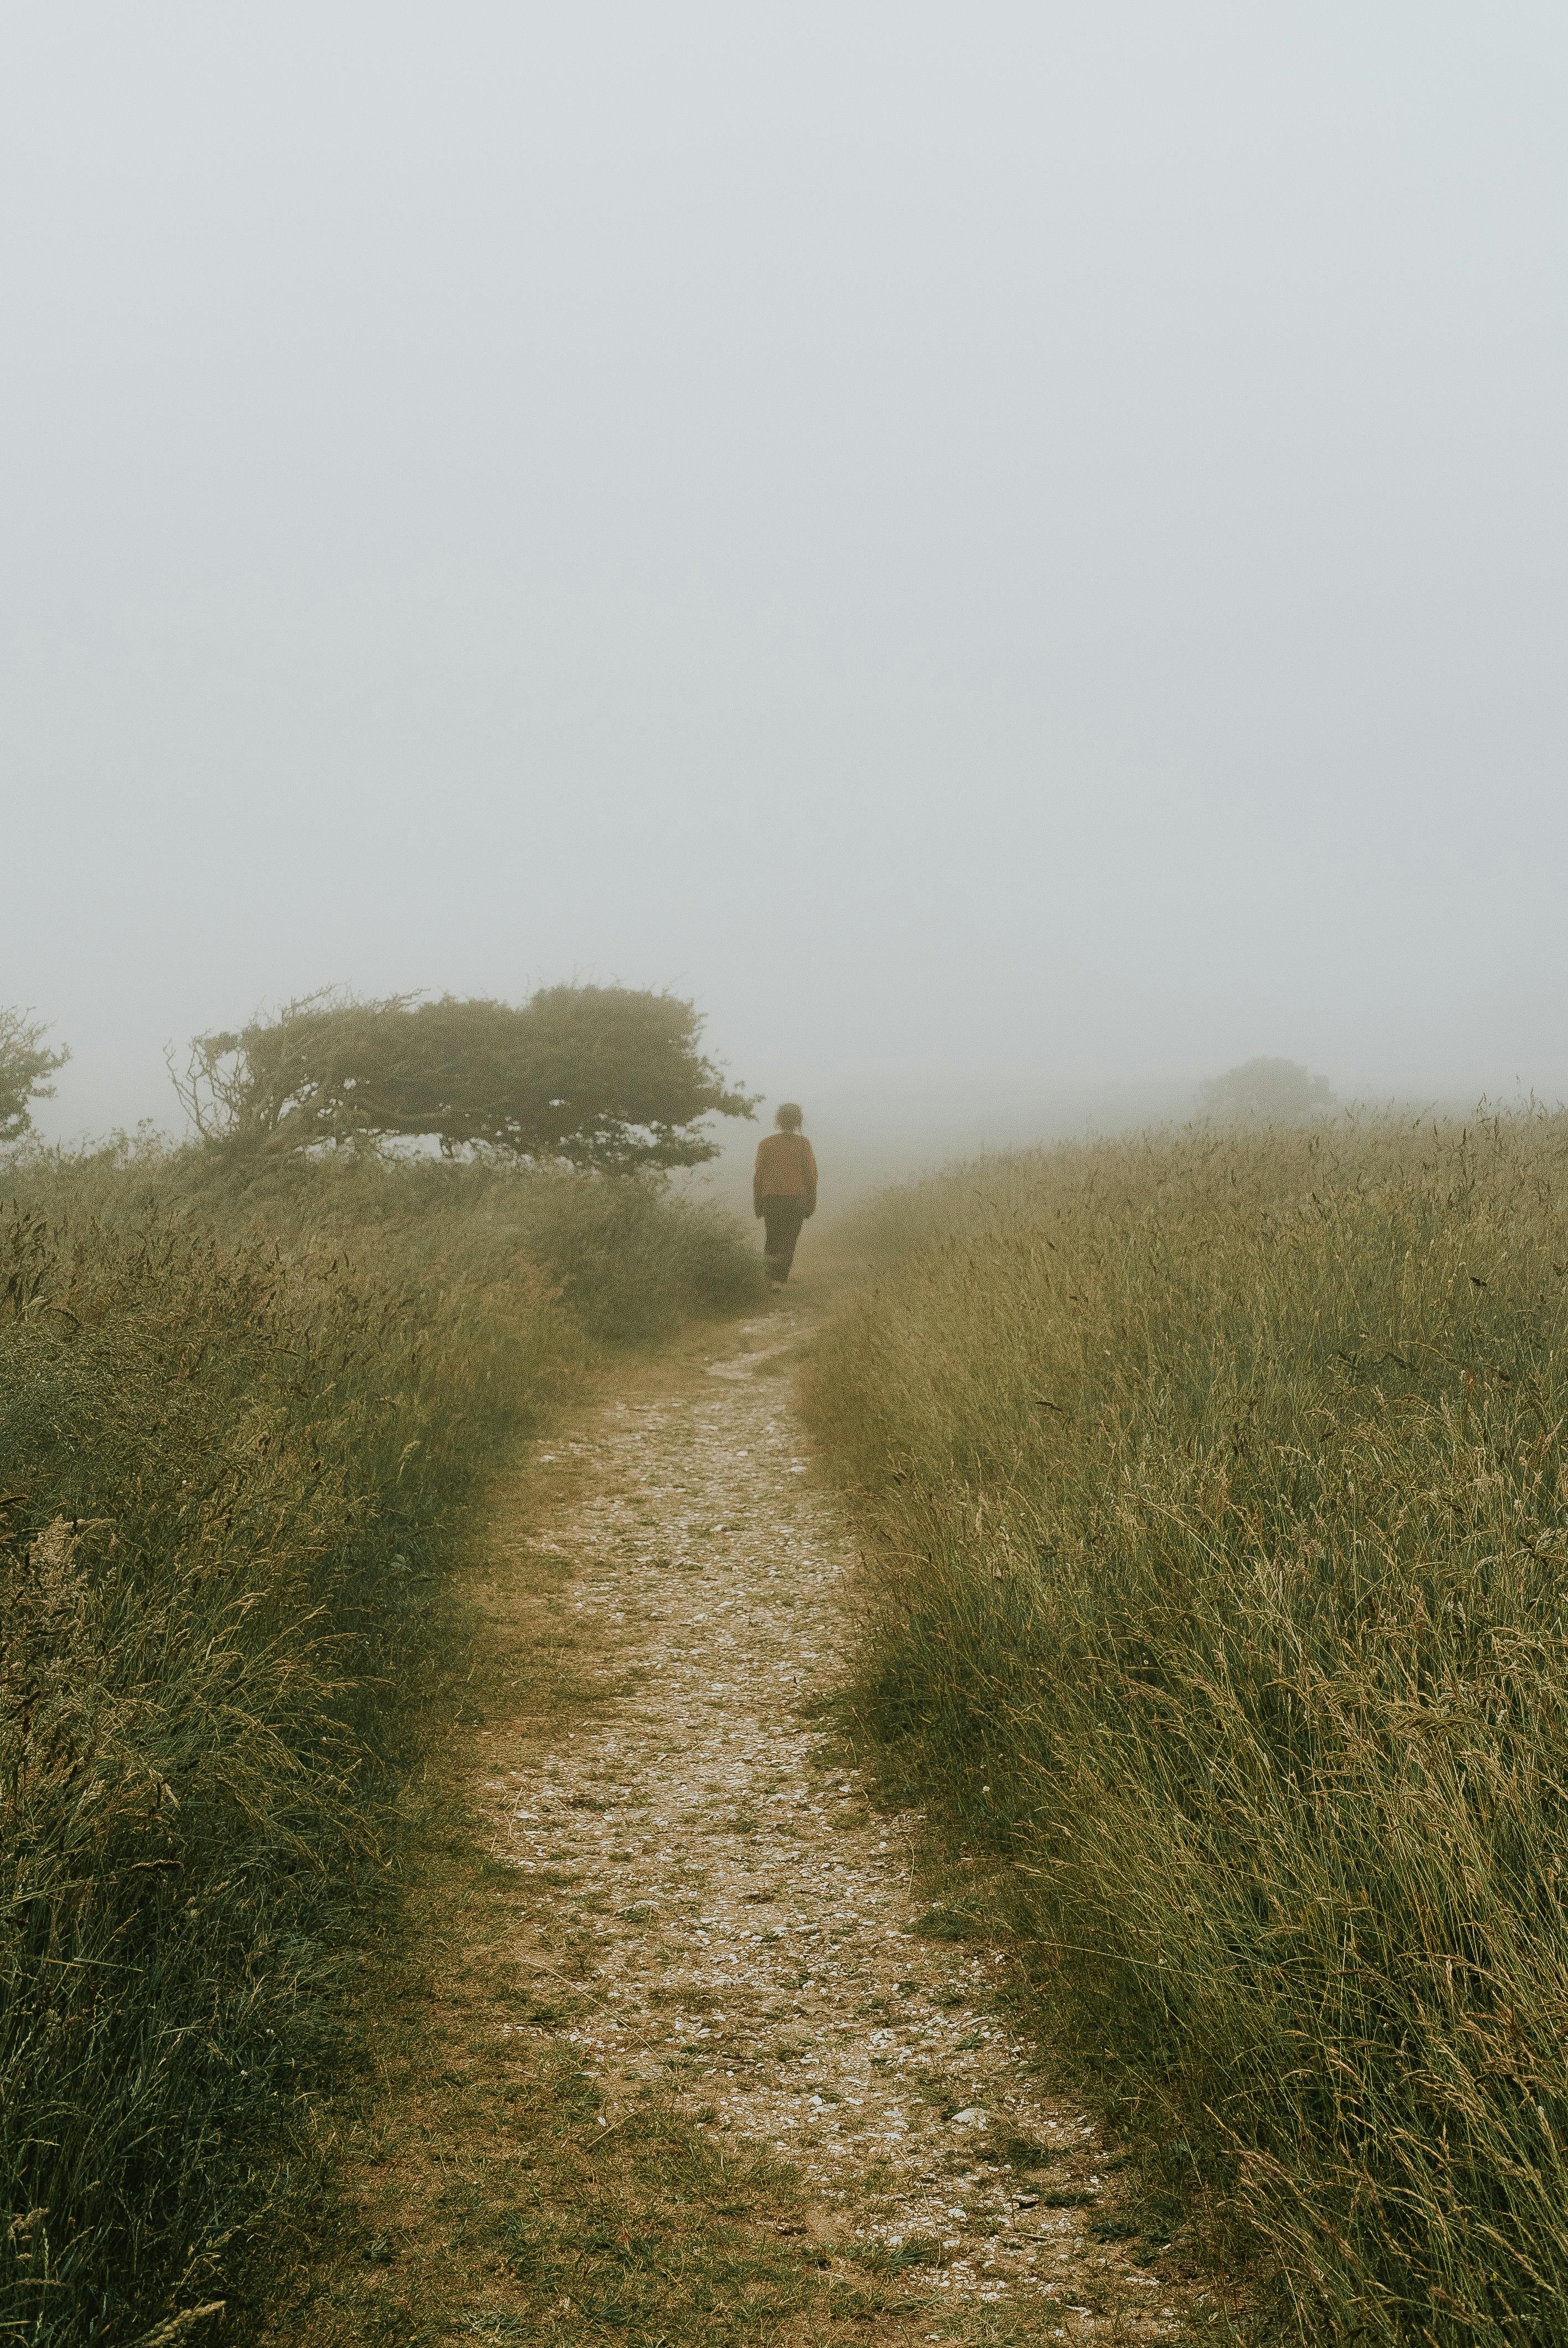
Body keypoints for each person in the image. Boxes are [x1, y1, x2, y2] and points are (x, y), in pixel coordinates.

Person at [753, 1102, 817, 1288]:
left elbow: (759, 1176)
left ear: (778, 1120)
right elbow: (811, 1175)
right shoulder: (803, 1144)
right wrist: (811, 1202)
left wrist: (758, 1203)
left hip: (771, 1198)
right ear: (799, 1121)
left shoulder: (766, 1144)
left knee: (772, 1237)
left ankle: (770, 1277)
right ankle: (779, 1281)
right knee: (789, 1239)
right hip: (796, 1199)